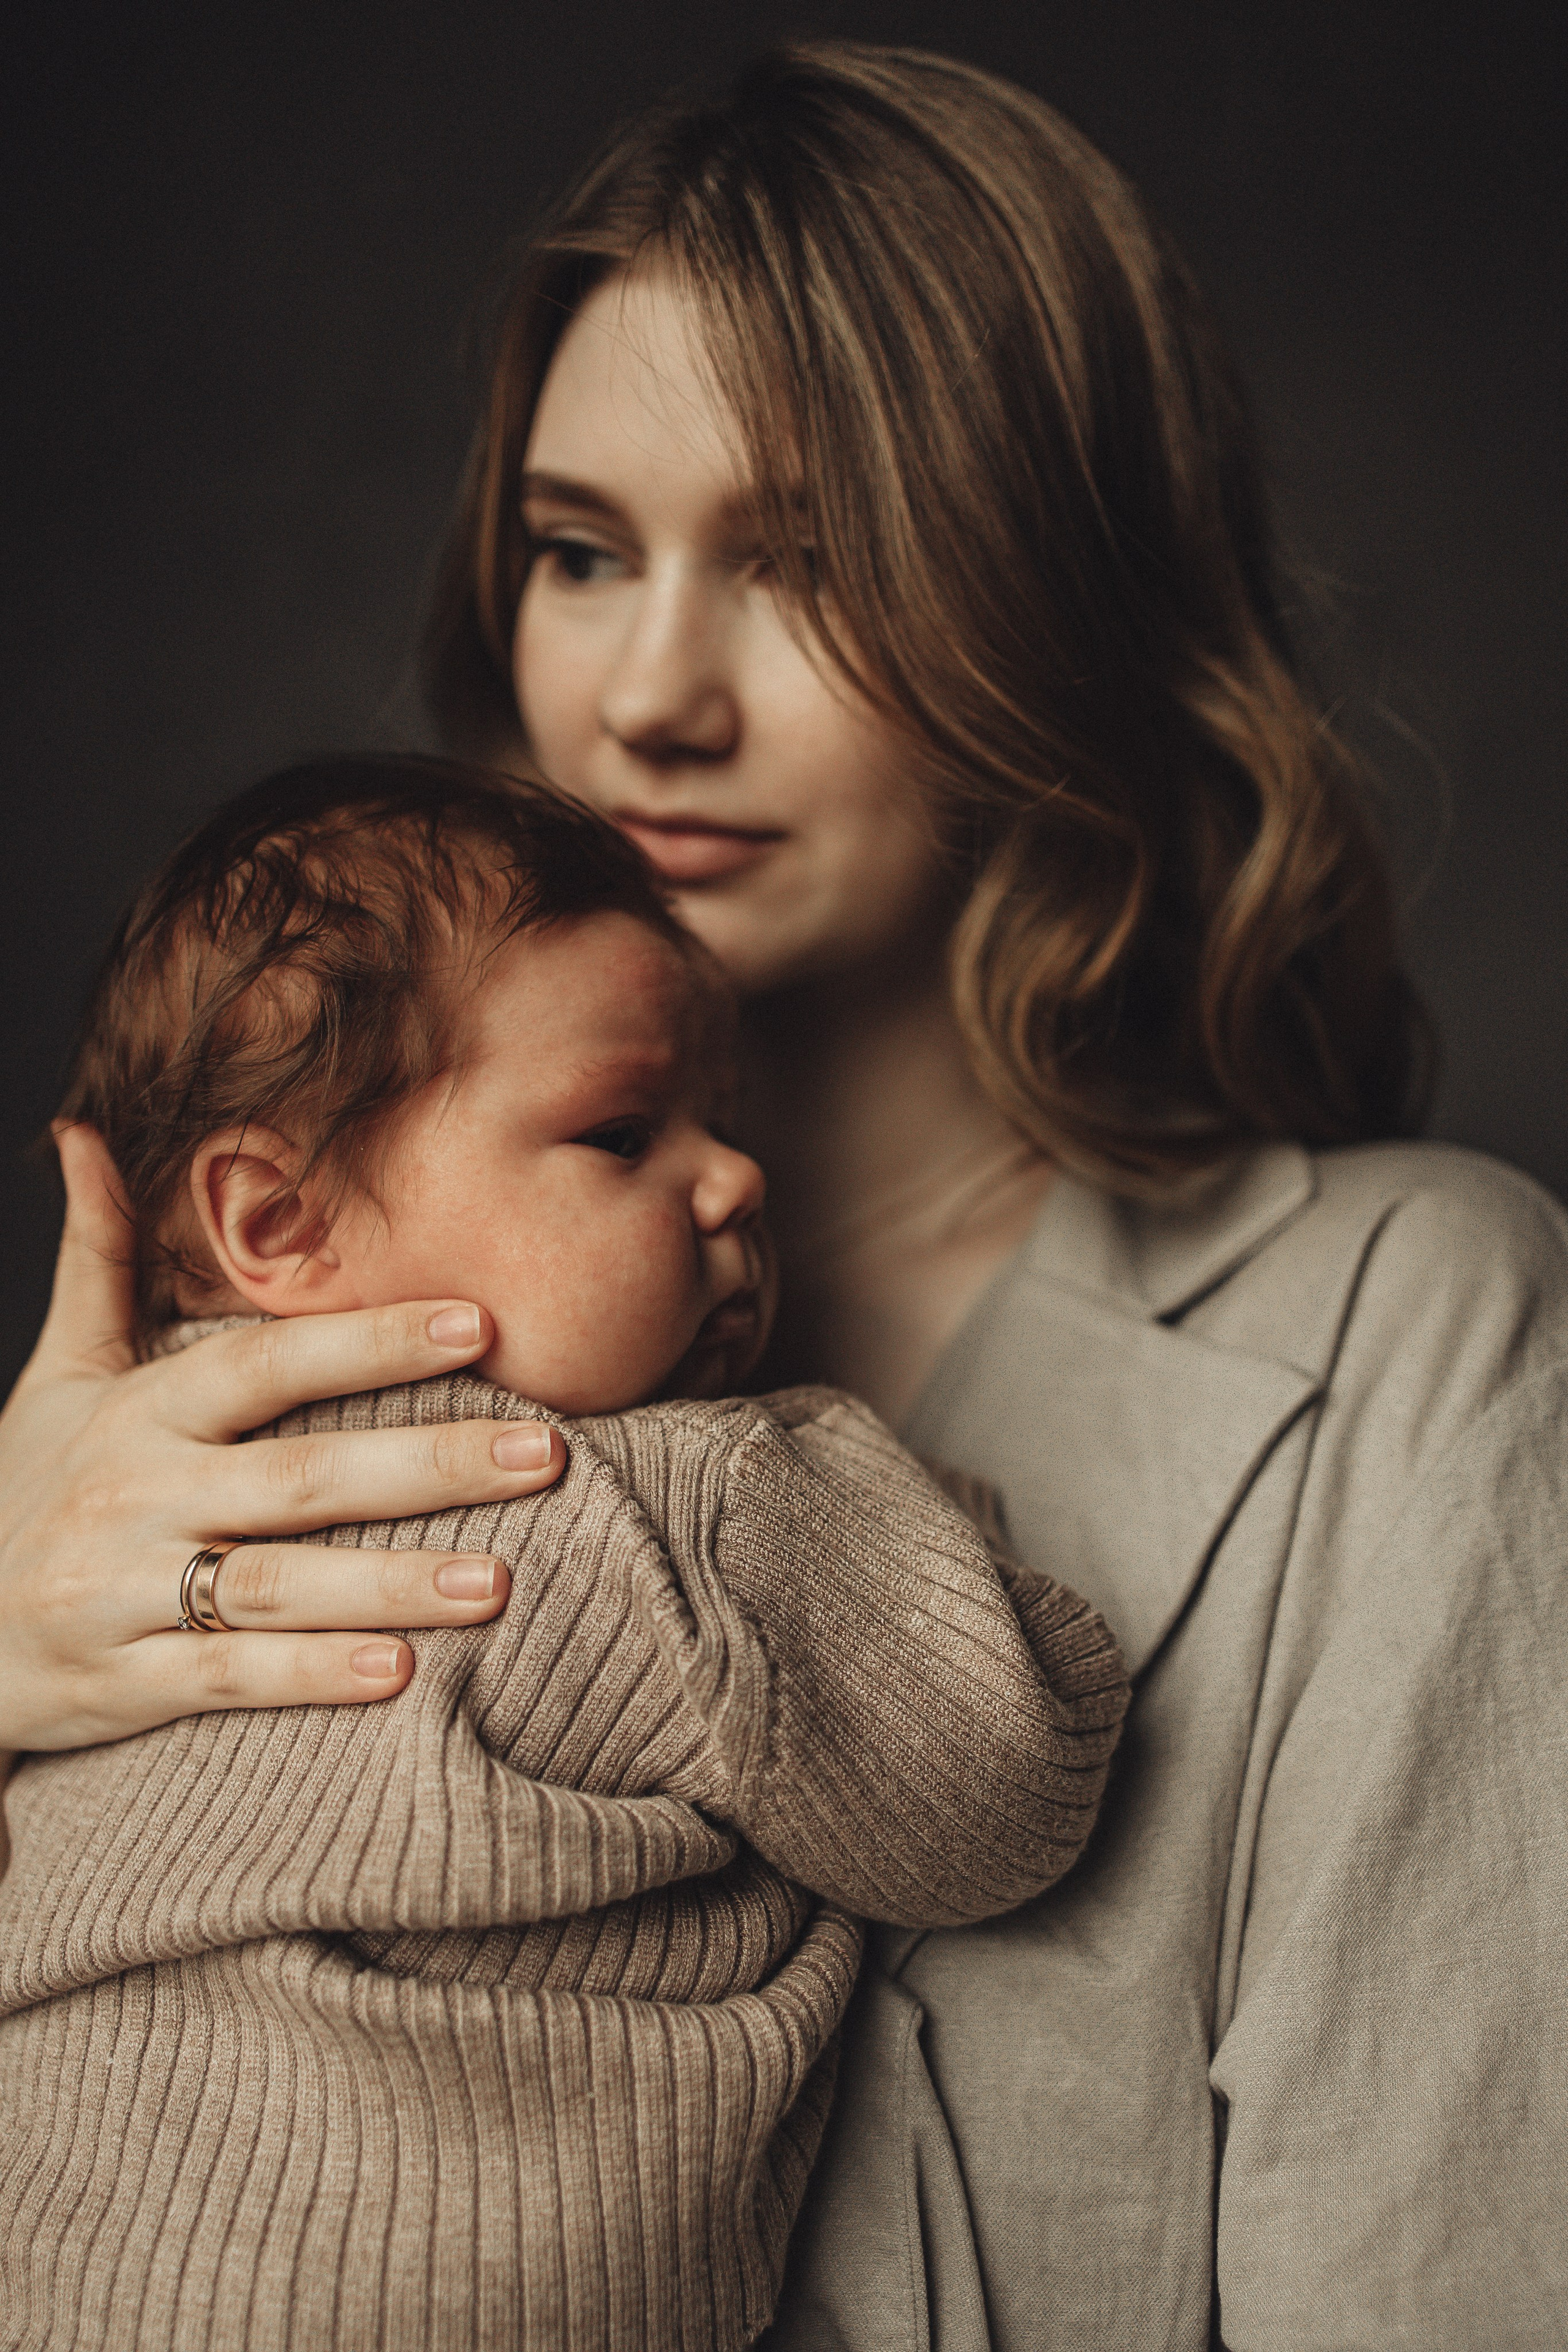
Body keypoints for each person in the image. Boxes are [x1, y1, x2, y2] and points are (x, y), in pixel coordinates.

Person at [3, 37, 1566, 2350]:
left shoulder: (1406, 1329)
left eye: (813, 568)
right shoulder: (236, 1349)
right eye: (575, 550)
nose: (651, 696)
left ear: (1061, 611)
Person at [0, 754, 1127, 2351]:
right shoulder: (686, 1507)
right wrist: (874, 1509)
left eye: (721, 1121)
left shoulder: (84, 1511)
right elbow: (1011, 1787)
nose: (734, 1178)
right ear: (280, 1226)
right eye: (621, 1133)